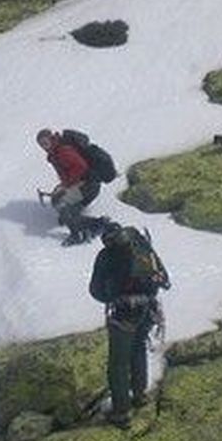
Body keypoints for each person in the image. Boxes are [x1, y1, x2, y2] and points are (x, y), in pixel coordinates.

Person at [88, 222, 170, 424]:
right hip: (148, 310)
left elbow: (96, 290)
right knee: (138, 349)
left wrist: (111, 295)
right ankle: (140, 396)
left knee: (118, 363)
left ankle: (121, 412)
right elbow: (164, 279)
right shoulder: (142, 246)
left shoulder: (107, 255)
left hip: (123, 313)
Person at [37, 128, 107, 245]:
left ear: (51, 138)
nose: (44, 146)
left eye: (45, 142)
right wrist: (64, 185)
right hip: (86, 185)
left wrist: (67, 185)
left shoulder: (63, 151)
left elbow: (81, 167)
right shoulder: (55, 151)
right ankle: (73, 216)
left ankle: (82, 232)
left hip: (88, 185)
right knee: (58, 201)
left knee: (61, 204)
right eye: (41, 144)